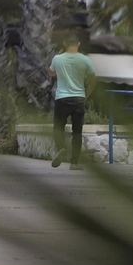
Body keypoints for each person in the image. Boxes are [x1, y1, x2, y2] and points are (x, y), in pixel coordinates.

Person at [48, 32, 97, 170]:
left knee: (58, 128)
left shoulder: (57, 59)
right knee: (77, 132)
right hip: (79, 98)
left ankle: (61, 148)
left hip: (62, 98)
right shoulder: (85, 60)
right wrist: (86, 95)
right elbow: (93, 80)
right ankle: (74, 163)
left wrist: (60, 56)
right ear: (79, 44)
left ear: (64, 43)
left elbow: (50, 73)